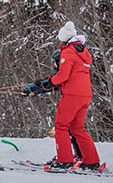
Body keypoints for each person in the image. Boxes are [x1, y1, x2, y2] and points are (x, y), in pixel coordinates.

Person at [28, 21, 100, 170]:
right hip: (85, 94)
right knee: (77, 128)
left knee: (61, 126)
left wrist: (47, 84)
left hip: (72, 94)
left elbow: (63, 75)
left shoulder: (68, 51)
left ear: (64, 38)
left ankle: (64, 160)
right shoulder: (83, 52)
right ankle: (91, 161)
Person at [22, 42, 84, 162]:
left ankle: (71, 158)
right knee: (74, 128)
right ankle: (79, 155)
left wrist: (32, 88)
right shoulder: (74, 67)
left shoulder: (65, 69)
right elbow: (50, 83)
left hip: (71, 99)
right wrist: (33, 88)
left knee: (67, 128)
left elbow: (52, 83)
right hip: (80, 99)